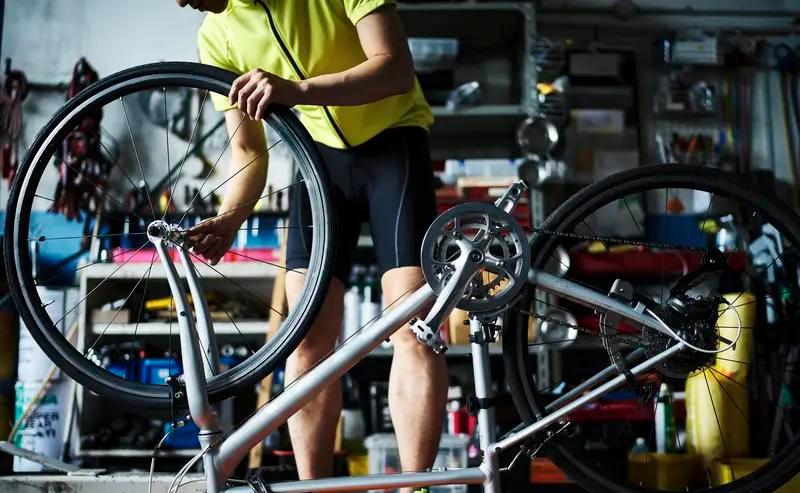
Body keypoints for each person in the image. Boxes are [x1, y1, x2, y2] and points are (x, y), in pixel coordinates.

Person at [177, 0, 448, 485]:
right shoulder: (214, 38)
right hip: (319, 164)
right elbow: (247, 151)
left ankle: (414, 485)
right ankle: (314, 487)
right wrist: (228, 220)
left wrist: (296, 91)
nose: (181, 1)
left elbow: (395, 69)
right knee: (306, 343)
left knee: (413, 328)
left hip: (392, 144)